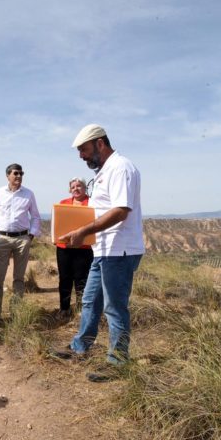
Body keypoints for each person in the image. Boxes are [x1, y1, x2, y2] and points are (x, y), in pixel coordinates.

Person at [56, 125, 145, 380]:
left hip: (120, 251)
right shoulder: (104, 172)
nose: (81, 156)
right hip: (103, 250)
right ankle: (80, 346)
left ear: (100, 143)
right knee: (90, 300)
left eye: (84, 149)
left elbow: (120, 210)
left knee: (115, 308)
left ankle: (117, 362)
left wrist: (82, 231)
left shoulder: (121, 167)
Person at [0, 163, 41, 321]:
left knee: (19, 278)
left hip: (22, 239)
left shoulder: (28, 194)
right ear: (8, 176)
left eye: (21, 173)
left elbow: (36, 216)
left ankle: (15, 313)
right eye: (16, 173)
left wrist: (30, 236)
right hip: (1, 239)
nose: (19, 176)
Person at [54, 178, 94, 319]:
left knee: (82, 279)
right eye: (73, 186)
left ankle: (81, 309)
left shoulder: (92, 202)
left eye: (79, 186)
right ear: (69, 189)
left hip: (84, 247)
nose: (76, 188)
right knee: (65, 278)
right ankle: (64, 309)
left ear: (85, 188)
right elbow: (57, 223)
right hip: (64, 247)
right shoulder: (63, 203)